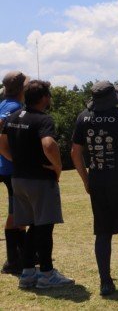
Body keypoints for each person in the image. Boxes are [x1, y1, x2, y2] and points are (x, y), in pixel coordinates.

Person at [70, 81, 118, 296]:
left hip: (98, 181)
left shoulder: (83, 118)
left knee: (102, 232)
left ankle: (105, 283)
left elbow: (75, 153)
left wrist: (86, 180)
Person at [0, 80, 74, 289]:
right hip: (39, 180)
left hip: (19, 179)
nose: (49, 98)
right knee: (45, 226)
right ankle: (47, 273)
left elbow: (1, 143)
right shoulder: (43, 119)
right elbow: (48, 144)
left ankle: (27, 273)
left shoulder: (14, 117)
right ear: (42, 98)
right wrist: (57, 167)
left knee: (32, 225)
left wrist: (16, 160)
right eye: (48, 95)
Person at [0, 71, 27, 275]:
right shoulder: (15, 108)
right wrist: (11, 157)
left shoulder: (4, 104)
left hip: (5, 167)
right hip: (10, 169)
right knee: (16, 212)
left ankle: (22, 254)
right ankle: (13, 260)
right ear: (21, 88)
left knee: (19, 211)